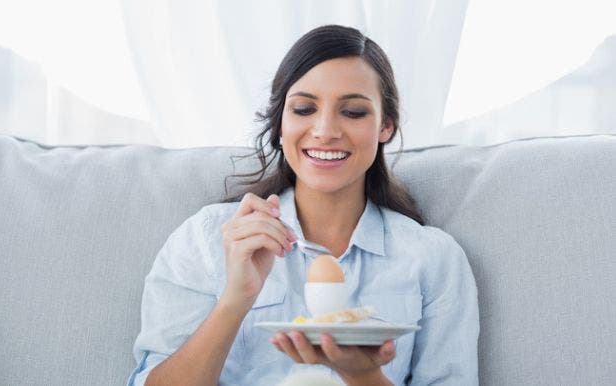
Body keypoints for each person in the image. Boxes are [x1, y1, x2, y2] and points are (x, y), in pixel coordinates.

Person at [128, 24, 479, 386]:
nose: (325, 130)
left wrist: (363, 376)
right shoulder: (208, 239)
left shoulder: (432, 258)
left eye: (354, 112)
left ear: (385, 126)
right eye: (304, 108)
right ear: (280, 122)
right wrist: (236, 299)